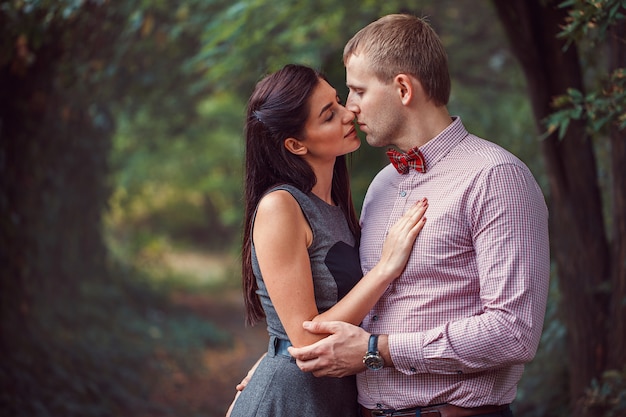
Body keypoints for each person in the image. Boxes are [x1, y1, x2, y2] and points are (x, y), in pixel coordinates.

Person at [287, 14, 551, 417]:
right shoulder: (381, 186)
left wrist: (378, 351)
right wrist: (276, 362)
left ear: (403, 88)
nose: (350, 108)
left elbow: (513, 333)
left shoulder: (495, 178)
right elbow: (348, 304)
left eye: (357, 90)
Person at [227, 64, 429, 417]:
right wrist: (385, 269)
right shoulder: (281, 207)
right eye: (328, 115)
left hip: (335, 398)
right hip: (293, 400)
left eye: (338, 101)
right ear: (295, 144)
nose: (348, 112)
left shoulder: (337, 206)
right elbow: (306, 340)